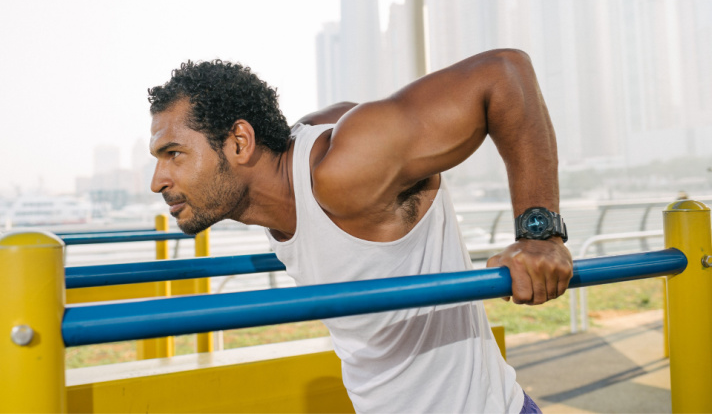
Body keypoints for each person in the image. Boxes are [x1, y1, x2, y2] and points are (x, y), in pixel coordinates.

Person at [147, 49, 573, 413]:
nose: (157, 180)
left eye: (173, 154)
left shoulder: (343, 170)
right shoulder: (274, 193)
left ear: (240, 142)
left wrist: (539, 236)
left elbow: (504, 71)